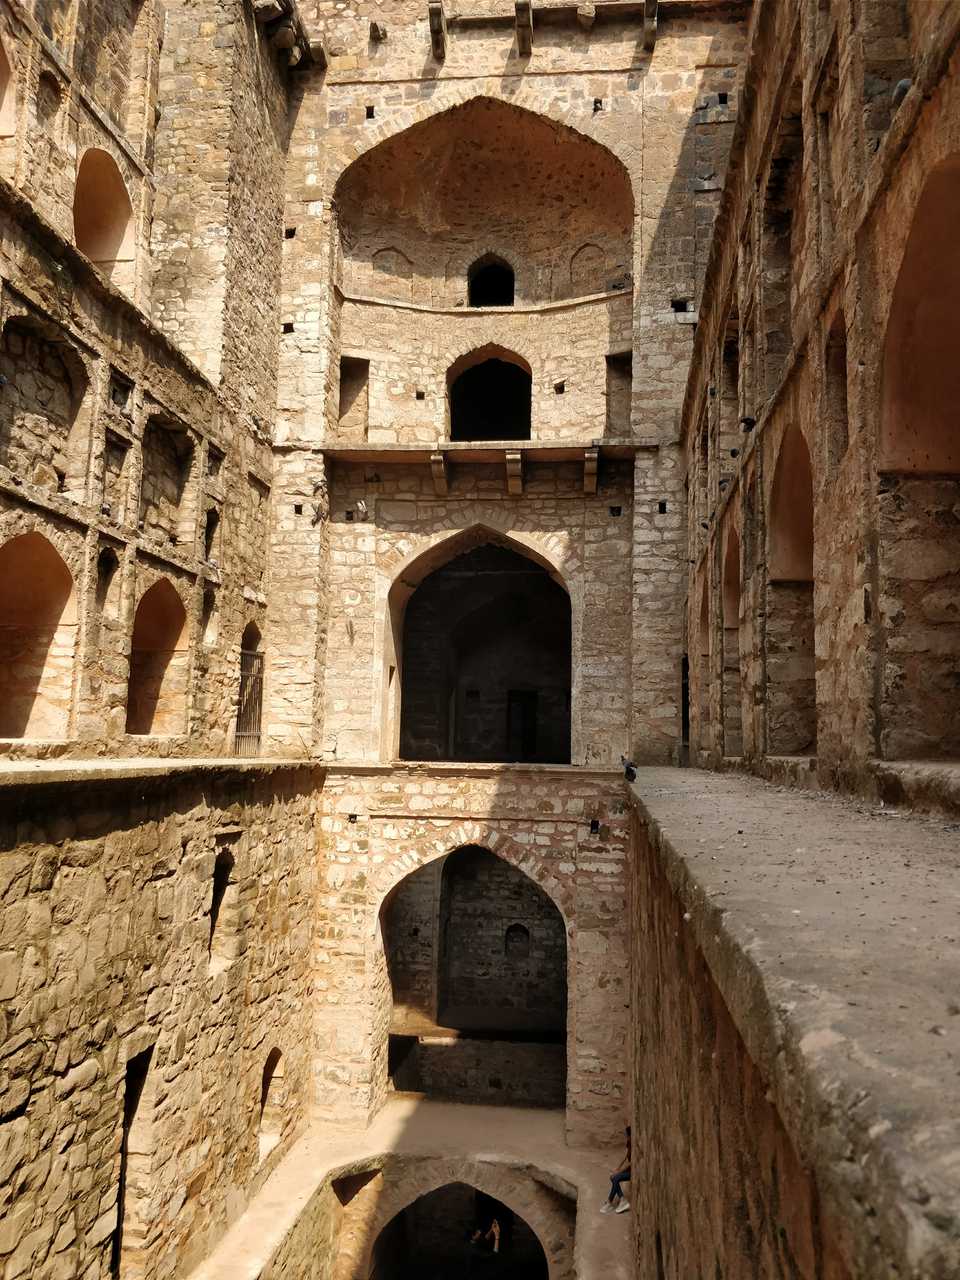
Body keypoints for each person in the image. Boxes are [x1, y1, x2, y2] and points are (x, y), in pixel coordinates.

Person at [600, 1125, 631, 1214]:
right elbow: (625, 1157)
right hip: (628, 1170)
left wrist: (619, 1172)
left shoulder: (633, 1144)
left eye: (627, 1136)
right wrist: (617, 1169)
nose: (626, 1137)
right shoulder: (629, 1143)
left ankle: (611, 1202)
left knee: (615, 1178)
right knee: (613, 1177)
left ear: (629, 1136)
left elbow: (631, 1163)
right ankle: (621, 1199)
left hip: (632, 1172)